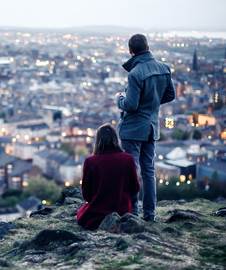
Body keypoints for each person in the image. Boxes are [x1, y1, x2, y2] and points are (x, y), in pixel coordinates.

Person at [115, 34, 175, 222]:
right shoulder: (164, 69)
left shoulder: (135, 73)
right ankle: (150, 214)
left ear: (130, 51)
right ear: (148, 48)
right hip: (151, 127)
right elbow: (170, 95)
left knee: (131, 172)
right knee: (148, 172)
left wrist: (119, 99)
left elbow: (131, 105)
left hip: (133, 128)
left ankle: (132, 214)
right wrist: (153, 101)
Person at [77, 124, 140, 231]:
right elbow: (135, 189)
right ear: (115, 139)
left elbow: (86, 196)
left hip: (97, 215)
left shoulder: (90, 161)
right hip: (122, 213)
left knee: (81, 213)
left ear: (98, 141)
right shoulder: (128, 159)